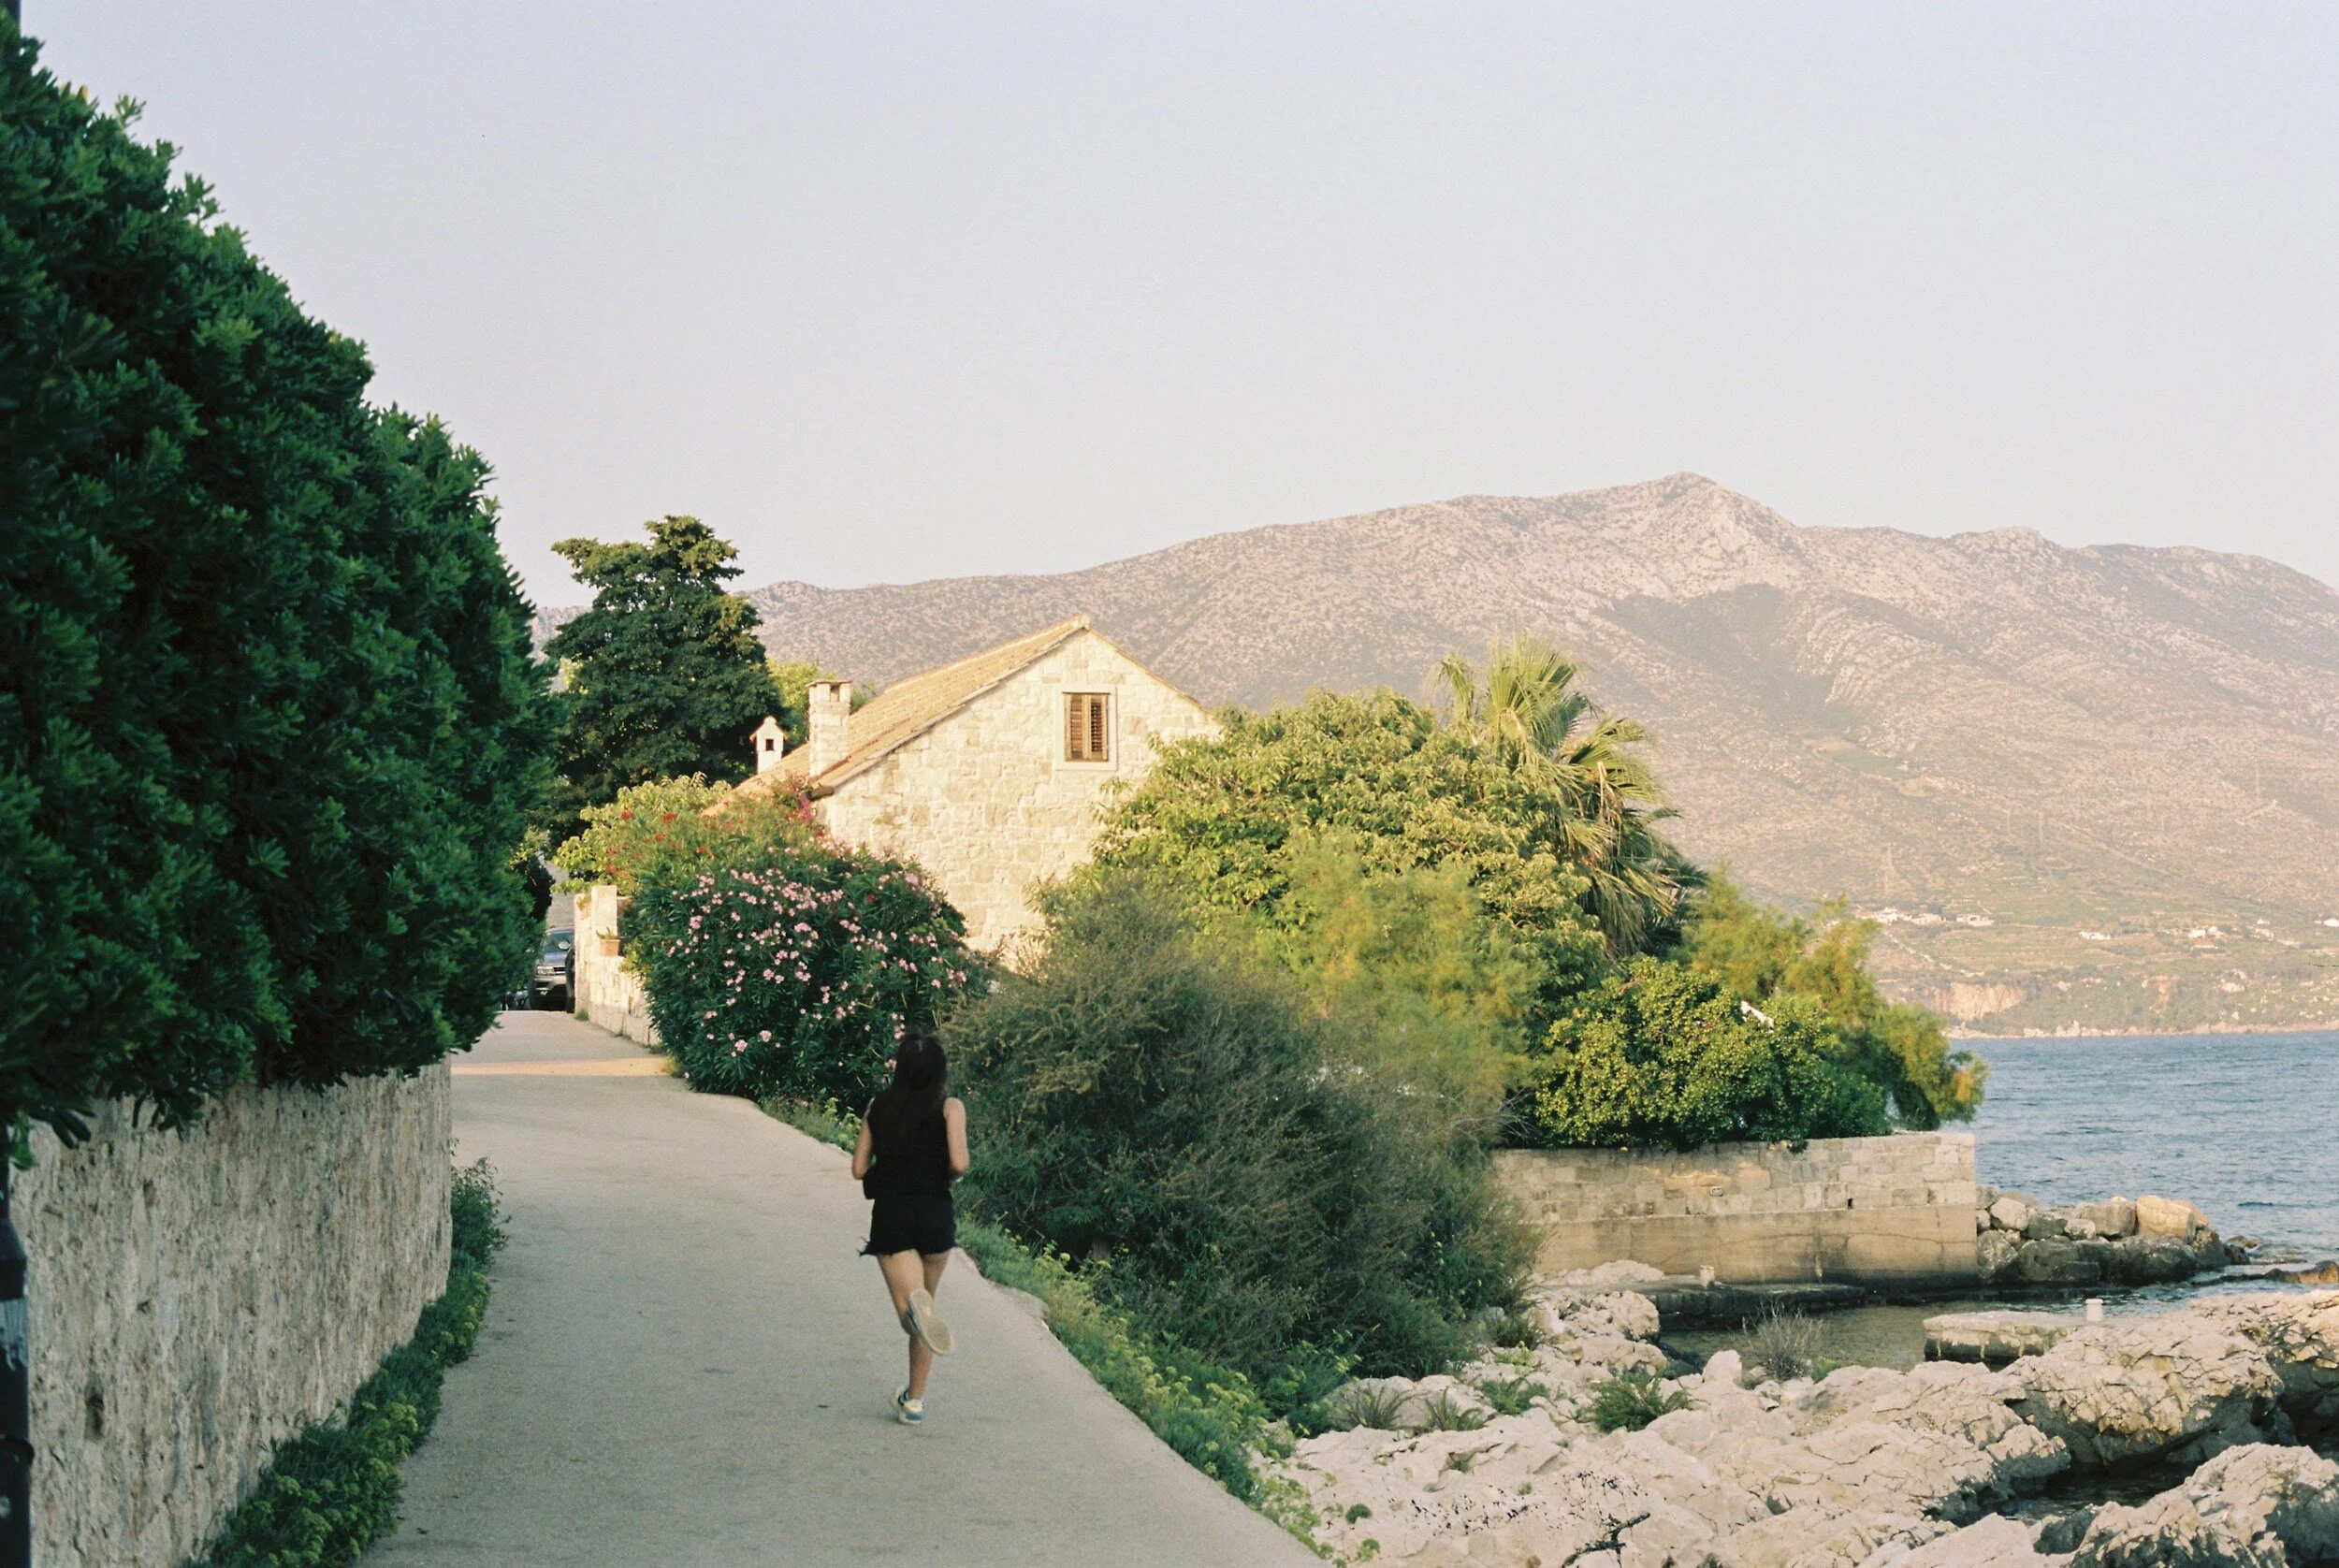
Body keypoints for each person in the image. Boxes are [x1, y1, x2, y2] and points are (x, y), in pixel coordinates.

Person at [850, 1031, 970, 1425]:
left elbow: (858, 1169)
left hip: (894, 1217)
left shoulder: (880, 1107)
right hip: (935, 1216)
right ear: (940, 1071)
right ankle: (914, 1402)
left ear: (900, 1069)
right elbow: (960, 1163)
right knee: (927, 1304)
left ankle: (913, 1312)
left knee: (912, 1313)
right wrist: (941, 1174)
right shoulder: (950, 1107)